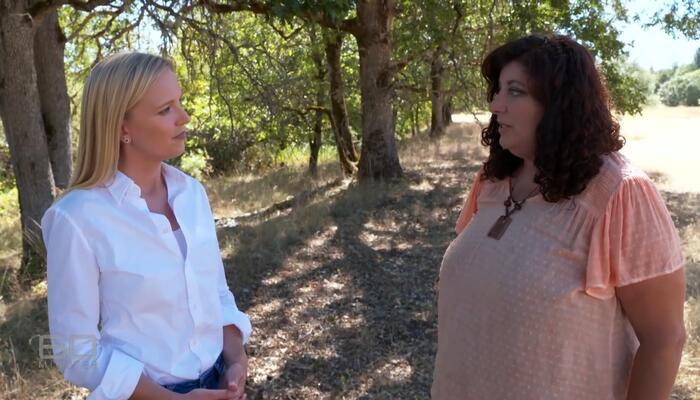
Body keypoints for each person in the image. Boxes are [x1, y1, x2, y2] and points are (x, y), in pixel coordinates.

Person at [431, 34, 686, 399]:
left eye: (515, 91)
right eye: (498, 89)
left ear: (560, 105)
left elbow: (664, 338)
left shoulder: (619, 192)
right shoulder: (491, 182)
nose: (496, 105)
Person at [41, 52, 252, 400]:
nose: (184, 117)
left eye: (179, 102)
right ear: (122, 126)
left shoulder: (192, 194)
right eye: (165, 109)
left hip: (220, 385)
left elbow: (216, 293)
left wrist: (236, 359)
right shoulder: (76, 219)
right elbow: (75, 353)